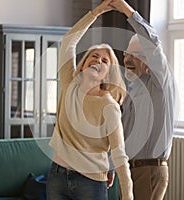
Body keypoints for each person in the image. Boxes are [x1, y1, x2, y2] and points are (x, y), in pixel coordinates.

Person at [46, 0, 133, 200]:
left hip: (91, 182)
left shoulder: (109, 106)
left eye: (105, 61)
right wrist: (97, 12)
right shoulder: (70, 83)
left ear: (107, 74)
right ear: (84, 64)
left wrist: (128, 195)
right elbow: (69, 40)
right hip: (57, 175)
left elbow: (119, 153)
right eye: (94, 56)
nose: (98, 61)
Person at [110, 0, 177, 200]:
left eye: (137, 55)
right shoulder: (130, 90)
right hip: (129, 171)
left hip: (148, 171)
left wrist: (126, 9)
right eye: (126, 54)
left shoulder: (159, 84)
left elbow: (152, 42)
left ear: (150, 62)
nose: (128, 59)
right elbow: (122, 136)